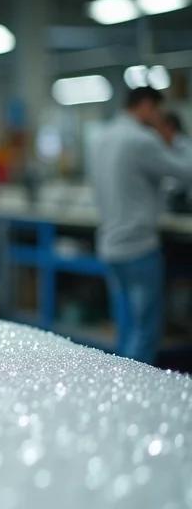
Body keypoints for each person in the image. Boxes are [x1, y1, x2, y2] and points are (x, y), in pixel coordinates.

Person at [91, 87, 192, 365]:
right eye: (158, 111)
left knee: (125, 328)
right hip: (138, 247)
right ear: (147, 106)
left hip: (109, 245)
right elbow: (186, 170)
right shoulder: (141, 139)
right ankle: (135, 397)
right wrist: (175, 137)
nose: (160, 117)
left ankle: (120, 391)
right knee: (145, 331)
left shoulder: (102, 137)